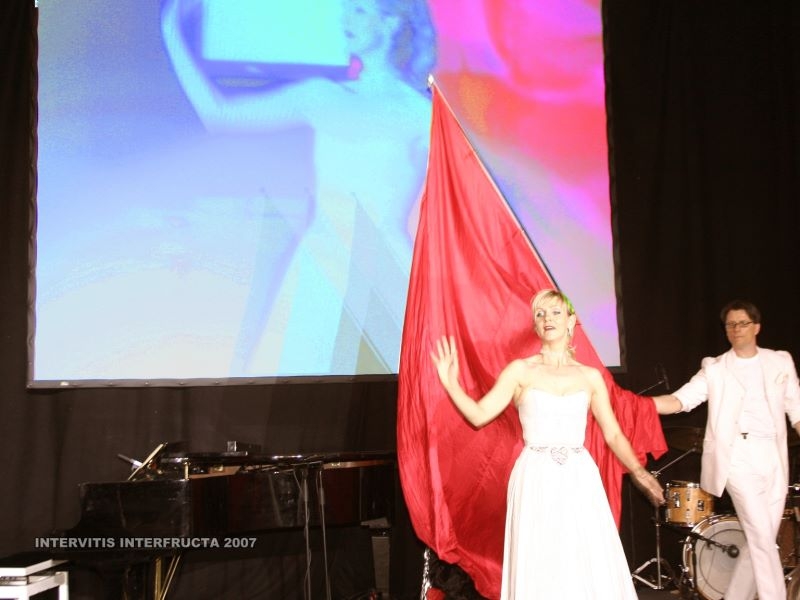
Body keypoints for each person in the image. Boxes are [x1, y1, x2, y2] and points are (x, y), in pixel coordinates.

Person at [161, 0, 436, 375]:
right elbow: (219, 114)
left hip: (388, 271)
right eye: (345, 8)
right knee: (303, 385)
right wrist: (171, 33)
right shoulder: (320, 95)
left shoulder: (422, 114)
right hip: (322, 266)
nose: (345, 17)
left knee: (407, 386)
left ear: (390, 24)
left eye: (359, 9)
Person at [430, 288, 665, 599]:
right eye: (540, 314)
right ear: (535, 326)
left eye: (555, 312)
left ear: (571, 321)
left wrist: (639, 472)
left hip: (579, 474)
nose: (547, 318)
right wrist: (451, 384)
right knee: (541, 558)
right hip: (536, 474)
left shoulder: (590, 376)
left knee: (584, 555)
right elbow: (479, 415)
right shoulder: (520, 370)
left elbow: (613, 434)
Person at [653, 299, 800, 600]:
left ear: (756, 327)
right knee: (762, 538)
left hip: (773, 456)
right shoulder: (715, 367)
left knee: (761, 539)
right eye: (730, 324)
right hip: (737, 458)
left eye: (742, 323)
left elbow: (796, 409)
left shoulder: (780, 361)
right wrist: (635, 405)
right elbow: (681, 400)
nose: (736, 329)